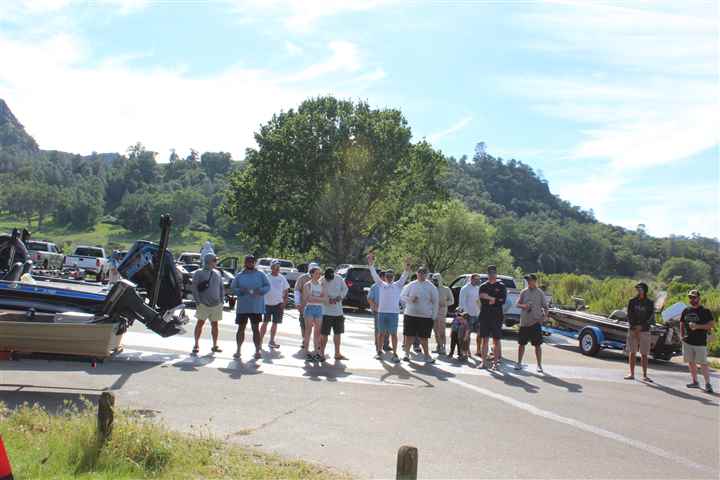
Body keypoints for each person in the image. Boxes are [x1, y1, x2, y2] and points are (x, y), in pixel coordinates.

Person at [368, 254, 411, 362]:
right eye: (387, 276)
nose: (389, 278)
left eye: (391, 276)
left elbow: (405, 274)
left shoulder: (398, 285)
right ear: (385, 276)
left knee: (393, 334)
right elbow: (374, 274)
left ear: (394, 277)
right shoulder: (381, 284)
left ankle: (395, 354)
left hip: (393, 313)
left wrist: (407, 264)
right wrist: (371, 264)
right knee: (381, 333)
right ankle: (379, 351)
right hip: (382, 313)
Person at [230, 255, 270, 360]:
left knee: (255, 328)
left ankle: (257, 351)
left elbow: (267, 286)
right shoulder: (239, 275)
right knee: (241, 328)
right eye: (248, 261)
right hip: (243, 307)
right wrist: (240, 291)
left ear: (254, 263)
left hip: (256, 307)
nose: (250, 263)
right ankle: (238, 350)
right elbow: (233, 287)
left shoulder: (261, 274)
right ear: (245, 263)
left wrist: (260, 291)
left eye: (252, 262)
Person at [400, 266, 439, 364]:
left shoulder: (431, 287)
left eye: (424, 273)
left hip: (425, 316)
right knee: (409, 336)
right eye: (420, 273)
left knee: (424, 338)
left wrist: (434, 316)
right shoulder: (411, 285)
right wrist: (410, 299)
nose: (421, 275)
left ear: (427, 275)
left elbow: (436, 302)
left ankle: (427, 356)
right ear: (417, 274)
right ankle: (406, 354)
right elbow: (402, 296)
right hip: (410, 314)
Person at [680, 289, 715, 393]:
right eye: (690, 297)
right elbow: (682, 323)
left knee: (703, 363)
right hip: (687, 341)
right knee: (691, 362)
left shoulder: (705, 311)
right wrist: (682, 335)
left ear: (699, 298)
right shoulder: (686, 310)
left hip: (700, 342)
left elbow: (711, 325)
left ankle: (708, 384)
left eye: (694, 297)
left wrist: (697, 326)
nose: (692, 299)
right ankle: (695, 381)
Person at [190, 253, 225, 355]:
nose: (216, 262)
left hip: (216, 304)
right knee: (200, 324)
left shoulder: (218, 273)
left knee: (215, 325)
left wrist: (221, 300)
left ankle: (215, 345)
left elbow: (221, 287)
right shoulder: (199, 273)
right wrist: (198, 302)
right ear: (209, 261)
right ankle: (196, 344)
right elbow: (194, 288)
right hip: (203, 304)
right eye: (215, 260)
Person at [515, 274, 548, 373]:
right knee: (521, 344)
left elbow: (546, 307)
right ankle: (519, 363)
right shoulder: (524, 292)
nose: (529, 282)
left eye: (530, 280)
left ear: (535, 281)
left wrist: (544, 318)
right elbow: (517, 304)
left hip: (535, 322)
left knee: (537, 345)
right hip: (524, 322)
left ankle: (539, 365)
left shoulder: (540, 293)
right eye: (528, 280)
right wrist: (524, 306)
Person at [624, 282, 654, 381]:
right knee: (632, 352)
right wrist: (634, 326)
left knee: (644, 353)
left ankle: (645, 375)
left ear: (645, 290)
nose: (638, 290)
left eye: (640, 288)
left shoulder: (650, 303)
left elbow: (651, 318)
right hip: (633, 330)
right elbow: (629, 315)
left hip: (645, 330)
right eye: (637, 288)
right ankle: (631, 374)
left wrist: (641, 326)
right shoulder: (632, 301)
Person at [478, 265, 507, 369]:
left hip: (497, 316)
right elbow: (482, 299)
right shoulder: (483, 286)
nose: (491, 275)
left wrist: (490, 298)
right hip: (485, 316)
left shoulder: (501, 286)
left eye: (493, 273)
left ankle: (495, 363)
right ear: (487, 274)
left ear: (496, 274)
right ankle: (483, 362)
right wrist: (493, 299)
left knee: (496, 340)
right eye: (490, 273)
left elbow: (502, 301)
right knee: (485, 339)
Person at [319, 267, 349, 360]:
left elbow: (345, 289)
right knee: (324, 334)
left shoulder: (339, 279)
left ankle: (337, 353)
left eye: (330, 278)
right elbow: (319, 293)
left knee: (338, 333)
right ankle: (321, 353)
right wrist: (328, 299)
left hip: (338, 312)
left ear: (334, 275)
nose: (328, 280)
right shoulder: (321, 280)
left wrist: (340, 297)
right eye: (327, 278)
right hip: (325, 312)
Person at [260, 260, 289, 349]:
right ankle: (259, 341)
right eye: (275, 266)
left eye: (278, 267)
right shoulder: (266, 277)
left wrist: (284, 302)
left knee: (275, 323)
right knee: (265, 323)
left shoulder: (282, 278)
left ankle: (271, 341)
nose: (277, 268)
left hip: (278, 304)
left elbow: (286, 290)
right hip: (267, 304)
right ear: (271, 267)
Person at [300, 265, 327, 362]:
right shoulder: (307, 285)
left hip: (319, 309)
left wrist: (315, 298)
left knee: (317, 332)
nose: (318, 275)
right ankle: (306, 352)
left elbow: (325, 299)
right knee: (308, 331)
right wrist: (319, 298)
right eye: (316, 273)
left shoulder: (321, 285)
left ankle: (316, 352)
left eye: (320, 274)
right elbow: (308, 298)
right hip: (310, 308)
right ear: (311, 274)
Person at [294, 263, 318, 350]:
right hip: (304, 305)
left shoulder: (320, 278)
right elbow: (297, 291)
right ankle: (304, 340)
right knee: (303, 324)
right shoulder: (302, 278)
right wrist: (297, 303)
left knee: (317, 325)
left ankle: (317, 342)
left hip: (317, 306)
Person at [367, 270, 391, 354]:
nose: (386, 278)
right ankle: (378, 346)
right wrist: (375, 306)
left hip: (389, 311)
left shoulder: (389, 286)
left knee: (388, 329)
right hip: (378, 311)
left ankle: (386, 345)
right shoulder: (375, 286)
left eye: (387, 277)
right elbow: (369, 298)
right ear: (380, 277)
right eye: (385, 276)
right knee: (378, 329)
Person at [431, 273, 454, 355]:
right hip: (433, 312)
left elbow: (452, 301)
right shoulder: (432, 289)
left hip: (442, 313)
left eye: (436, 280)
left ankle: (443, 347)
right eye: (433, 280)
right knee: (435, 330)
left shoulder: (446, 289)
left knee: (441, 331)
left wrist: (445, 303)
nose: (435, 282)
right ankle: (438, 346)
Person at [459, 274, 481, 356]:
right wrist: (465, 315)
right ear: (472, 279)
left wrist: (480, 311)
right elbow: (462, 303)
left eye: (479, 279)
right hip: (468, 315)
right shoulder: (465, 289)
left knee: (480, 333)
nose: (478, 281)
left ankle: (478, 350)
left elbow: (478, 301)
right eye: (477, 279)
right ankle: (467, 350)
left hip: (477, 314)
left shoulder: (478, 288)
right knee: (467, 334)